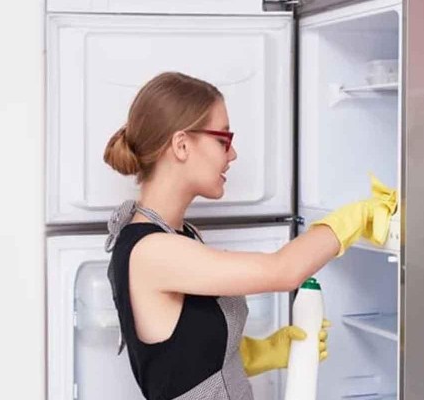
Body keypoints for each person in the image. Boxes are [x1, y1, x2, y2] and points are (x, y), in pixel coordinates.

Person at [103, 71, 397, 400]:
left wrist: (262, 353)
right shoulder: (152, 251)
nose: (232, 155)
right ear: (182, 145)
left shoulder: (179, 236)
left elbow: (185, 360)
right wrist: (354, 216)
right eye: (223, 140)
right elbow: (283, 271)